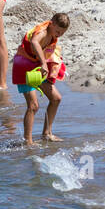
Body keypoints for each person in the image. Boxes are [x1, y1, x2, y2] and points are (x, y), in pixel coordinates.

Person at [13, 13, 69, 145]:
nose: (59, 35)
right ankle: (28, 142)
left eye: (62, 33)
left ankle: (47, 133)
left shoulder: (52, 33)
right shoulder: (43, 32)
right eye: (57, 31)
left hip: (37, 68)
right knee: (33, 106)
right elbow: (34, 42)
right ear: (51, 23)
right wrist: (44, 63)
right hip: (24, 68)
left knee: (56, 98)